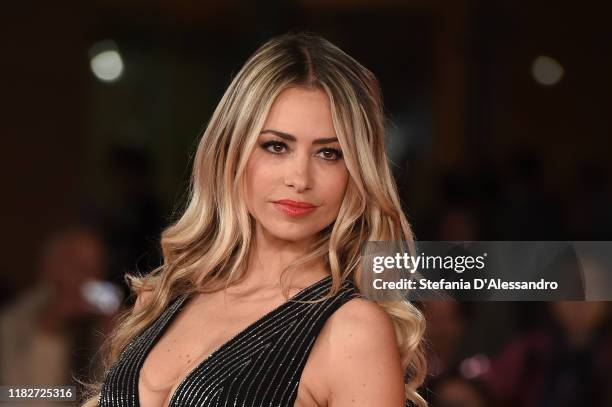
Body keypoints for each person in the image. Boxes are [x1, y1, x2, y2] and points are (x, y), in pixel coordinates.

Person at [81, 31, 427, 407]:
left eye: (329, 153)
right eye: (276, 146)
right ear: (232, 152)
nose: (299, 179)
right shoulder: (170, 293)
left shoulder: (352, 330)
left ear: (357, 172)